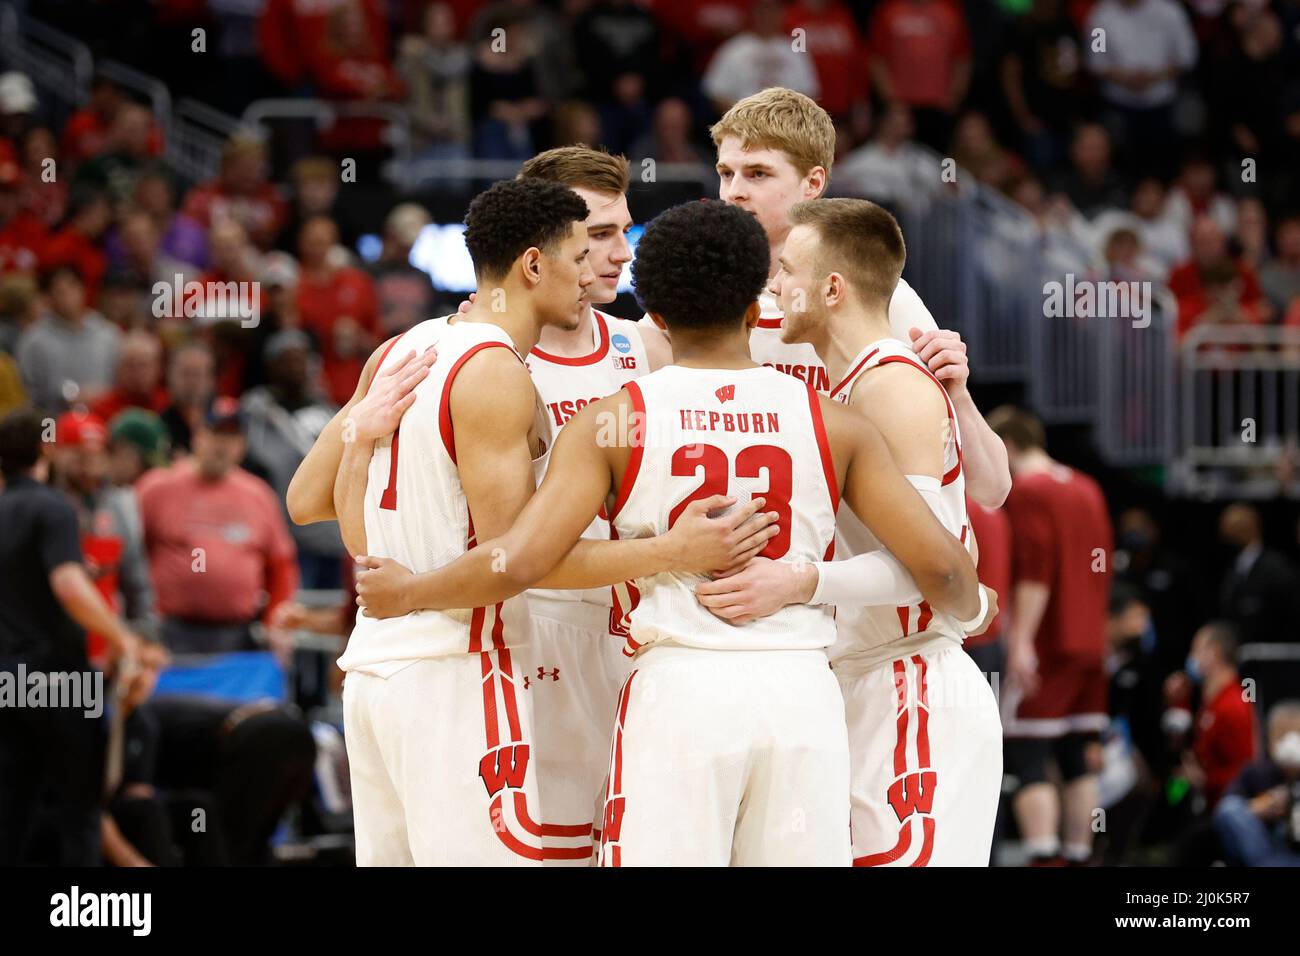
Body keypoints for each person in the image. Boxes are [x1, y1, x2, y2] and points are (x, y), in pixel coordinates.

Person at [351, 199, 983, 866]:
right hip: (800, 694)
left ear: (652, 313)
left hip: (677, 692)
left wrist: (414, 590)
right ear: (753, 309)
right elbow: (941, 568)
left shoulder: (609, 422)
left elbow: (525, 561)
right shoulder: (835, 423)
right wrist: (973, 606)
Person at [327, 178, 773, 865]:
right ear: (533, 265)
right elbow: (516, 562)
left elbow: (362, 551)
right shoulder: (498, 374)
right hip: (463, 667)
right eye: (579, 251)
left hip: (377, 673)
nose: (595, 268)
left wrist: (357, 440)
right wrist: (674, 550)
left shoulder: (401, 353)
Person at [687, 198, 1003, 866]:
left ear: (832, 288)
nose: (774, 287)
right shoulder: (848, 388)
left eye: (788, 271)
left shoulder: (890, 383)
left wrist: (798, 582)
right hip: (860, 682)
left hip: (911, 682)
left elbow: (937, 566)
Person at [640, 86, 1011, 510]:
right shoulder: (696, 296)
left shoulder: (886, 298)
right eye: (727, 173)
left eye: (758, 174)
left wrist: (958, 397)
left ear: (813, 182)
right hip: (759, 564)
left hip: (864, 567)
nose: (733, 192)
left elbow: (993, 488)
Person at [0, 408, 152, 865]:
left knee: (11, 814)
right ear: (45, 451)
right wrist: (122, 636)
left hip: (9, 680)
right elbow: (67, 584)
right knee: (81, 815)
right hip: (61, 679)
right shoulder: (53, 507)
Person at [991, 405, 1114, 866]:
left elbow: (1035, 573)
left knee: (1026, 752)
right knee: (1075, 754)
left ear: (1006, 446)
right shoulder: (1087, 487)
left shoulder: (1028, 491)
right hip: (1090, 641)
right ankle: (1079, 854)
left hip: (1048, 641)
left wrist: (1021, 640)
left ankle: (1044, 857)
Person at [136, 397, 299, 656]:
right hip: (168, 634)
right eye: (215, 433)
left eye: (232, 436)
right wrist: (138, 626)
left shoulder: (259, 496)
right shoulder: (157, 488)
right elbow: (131, 558)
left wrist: (275, 623)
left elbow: (281, 565)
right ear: (197, 435)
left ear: (242, 445)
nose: (222, 445)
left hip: (237, 635)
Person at [1214, 699, 1300, 866]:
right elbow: (1227, 809)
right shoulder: (1256, 772)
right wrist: (1261, 807)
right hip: (1263, 851)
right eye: (1282, 734)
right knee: (1230, 809)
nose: (1290, 742)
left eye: (1296, 733)